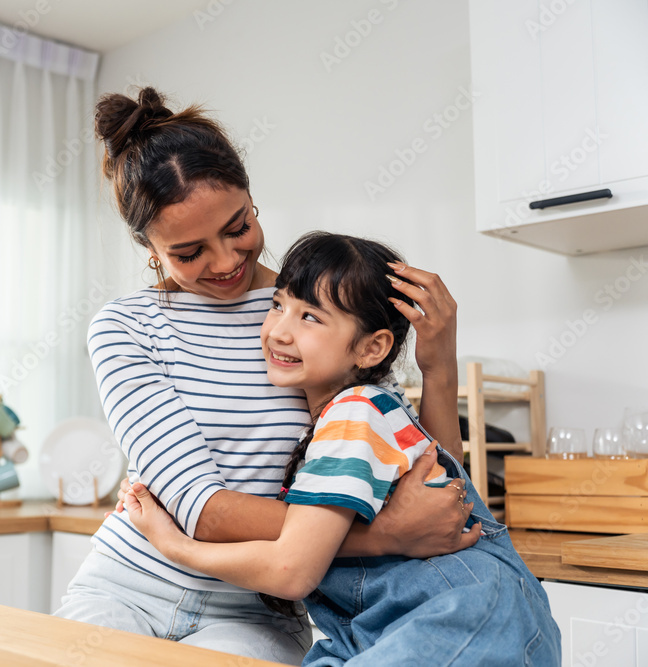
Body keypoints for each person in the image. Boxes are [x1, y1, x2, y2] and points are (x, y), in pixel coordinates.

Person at [53, 87, 478, 665]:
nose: (226, 261)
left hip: (258, 613)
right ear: (149, 248)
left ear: (253, 199)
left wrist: (439, 366)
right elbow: (201, 509)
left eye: (237, 227)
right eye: (188, 252)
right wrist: (385, 537)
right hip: (126, 583)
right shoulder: (125, 328)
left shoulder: (320, 311)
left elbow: (426, 483)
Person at [122, 231, 561, 666]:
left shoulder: (355, 412)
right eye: (278, 305)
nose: (279, 331)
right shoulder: (364, 412)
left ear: (373, 348)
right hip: (386, 626)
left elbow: (292, 570)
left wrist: (174, 544)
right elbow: (441, 467)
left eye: (310, 317)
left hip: (462, 616)